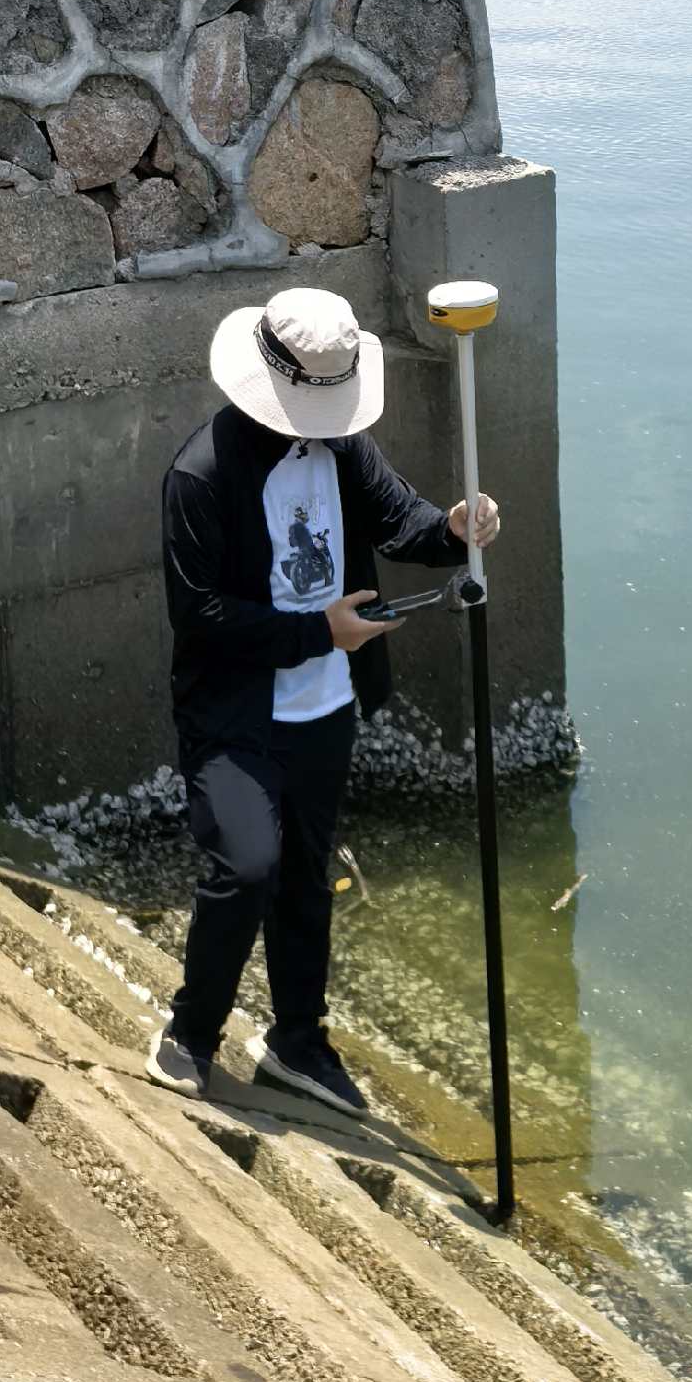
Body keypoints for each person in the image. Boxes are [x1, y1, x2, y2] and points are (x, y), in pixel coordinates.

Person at [148, 282, 497, 1114]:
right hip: (234, 713)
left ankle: (298, 1041)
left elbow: (400, 522)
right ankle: (192, 1033)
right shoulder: (200, 475)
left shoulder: (344, 448)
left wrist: (454, 530)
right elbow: (199, 617)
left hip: (325, 708)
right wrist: (319, 632)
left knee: (307, 877)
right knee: (247, 865)